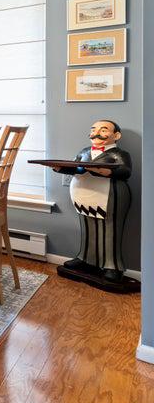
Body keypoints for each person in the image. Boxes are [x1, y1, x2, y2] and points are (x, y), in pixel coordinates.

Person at [52, 120, 132, 283]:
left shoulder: (118, 154)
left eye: (103, 130)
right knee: (87, 227)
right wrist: (60, 167)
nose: (96, 133)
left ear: (116, 135)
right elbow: (77, 167)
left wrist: (103, 170)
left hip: (110, 195)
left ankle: (112, 266)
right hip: (84, 195)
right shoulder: (84, 151)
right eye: (94, 129)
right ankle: (86, 259)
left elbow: (125, 171)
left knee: (110, 230)